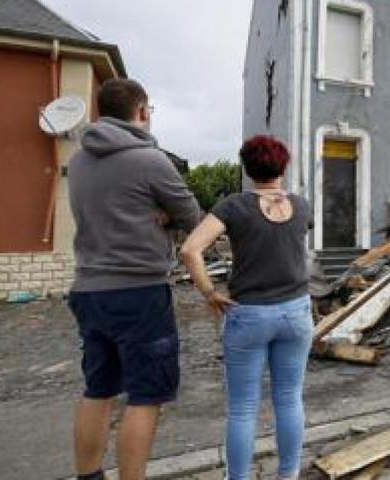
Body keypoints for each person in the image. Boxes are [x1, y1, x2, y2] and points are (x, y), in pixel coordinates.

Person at [67, 78, 202, 480]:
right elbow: (192, 216)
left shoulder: (78, 161)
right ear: (142, 111)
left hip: (88, 290)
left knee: (98, 389)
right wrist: (165, 217)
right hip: (138, 292)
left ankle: (88, 476)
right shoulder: (150, 160)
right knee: (145, 396)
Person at [180, 135, 313, 480]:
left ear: (246, 167)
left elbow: (190, 249)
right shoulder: (302, 206)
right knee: (289, 398)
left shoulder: (233, 206)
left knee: (242, 409)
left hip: (249, 314)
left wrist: (210, 292)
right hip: (296, 312)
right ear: (284, 165)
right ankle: (288, 475)